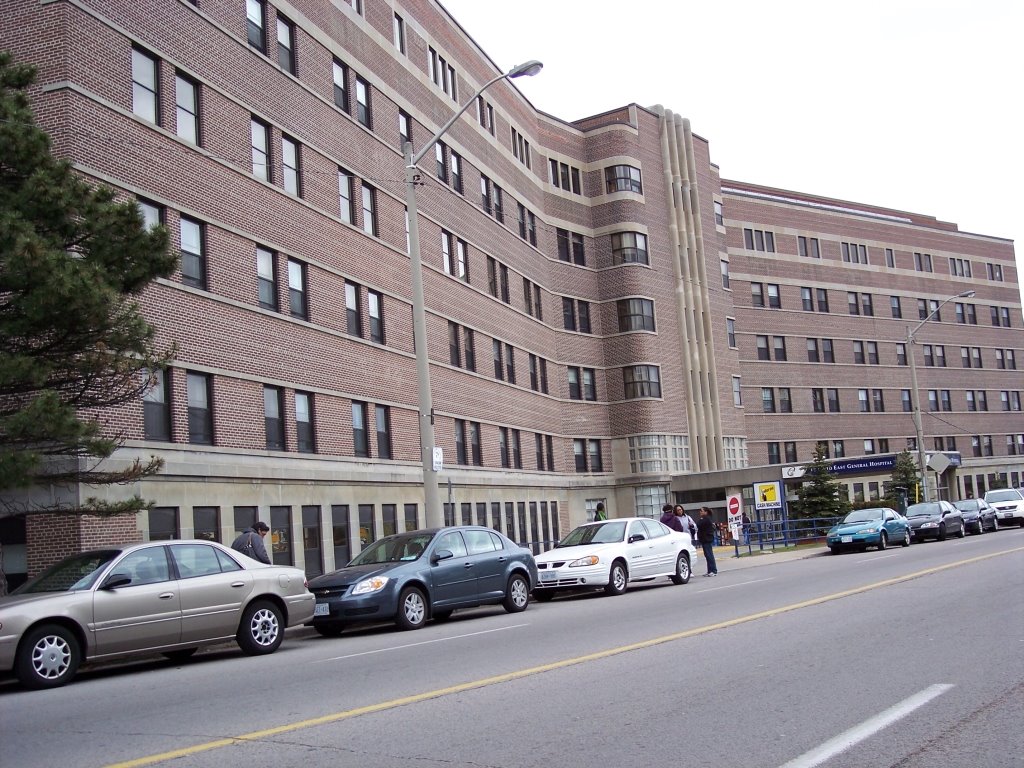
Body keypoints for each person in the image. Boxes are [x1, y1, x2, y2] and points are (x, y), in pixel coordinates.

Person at [696, 507, 718, 576]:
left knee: (709, 555)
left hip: (707, 539)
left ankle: (713, 571)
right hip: (704, 539)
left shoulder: (706, 519)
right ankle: (709, 571)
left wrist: (701, 520)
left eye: (702, 511)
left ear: (706, 512)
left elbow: (698, 524)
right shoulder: (704, 519)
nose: (700, 512)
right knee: (707, 555)